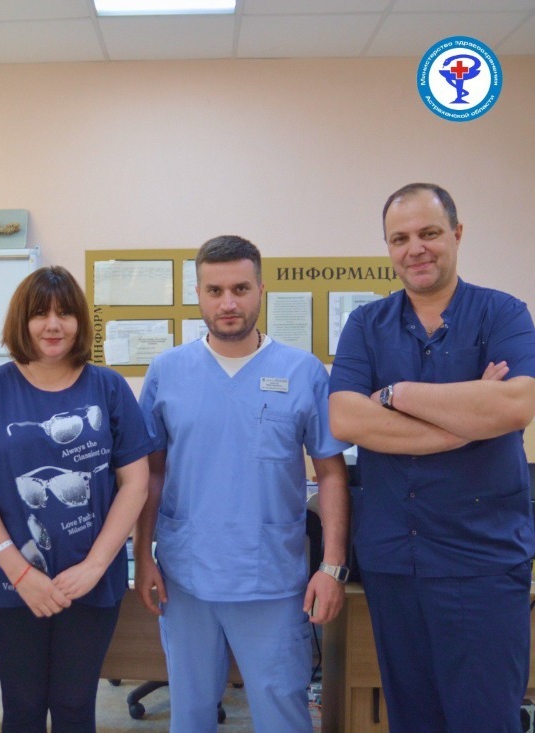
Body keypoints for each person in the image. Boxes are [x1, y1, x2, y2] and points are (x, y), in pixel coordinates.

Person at [329, 183, 535, 733]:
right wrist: (466, 419)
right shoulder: (366, 325)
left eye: (428, 233)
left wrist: (396, 394)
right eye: (399, 238)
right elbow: (346, 419)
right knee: (413, 719)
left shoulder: (503, 313)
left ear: (457, 234)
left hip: (482, 559)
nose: (414, 248)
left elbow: (515, 405)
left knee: (485, 719)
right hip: (395, 562)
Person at [135, 235, 351, 733]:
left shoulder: (303, 371)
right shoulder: (167, 371)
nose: (228, 303)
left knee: (282, 714)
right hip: (186, 576)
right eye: (215, 291)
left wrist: (333, 566)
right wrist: (143, 554)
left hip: (269, 577)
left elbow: (331, 473)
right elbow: (151, 472)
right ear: (198, 294)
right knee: (190, 714)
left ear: (261, 290)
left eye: (240, 288)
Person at [0, 265, 151, 733]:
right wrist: (21, 574)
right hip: (10, 584)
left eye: (65, 313)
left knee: (76, 705)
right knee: (22, 707)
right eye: (40, 313)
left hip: (89, 581)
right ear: (22, 321)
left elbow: (135, 484)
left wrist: (95, 567)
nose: (53, 325)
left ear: (80, 321)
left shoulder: (108, 387)